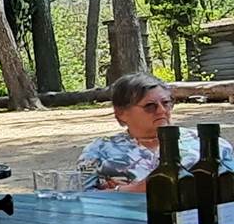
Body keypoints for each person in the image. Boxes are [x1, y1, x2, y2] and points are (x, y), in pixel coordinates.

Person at [77, 71, 234, 191]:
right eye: (150, 106)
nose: (162, 110)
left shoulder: (208, 144)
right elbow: (78, 199)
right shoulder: (98, 152)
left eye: (166, 103)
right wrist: (132, 190)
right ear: (121, 113)